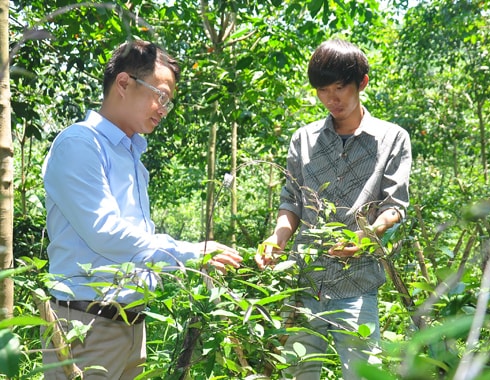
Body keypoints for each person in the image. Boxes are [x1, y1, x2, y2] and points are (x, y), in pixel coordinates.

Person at [41, 40, 242, 379]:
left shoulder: (130, 154)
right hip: (87, 327)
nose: (164, 108)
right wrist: (189, 254)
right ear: (123, 83)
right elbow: (104, 231)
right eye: (160, 96)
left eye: (169, 101)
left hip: (132, 325)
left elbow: (136, 245)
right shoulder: (81, 143)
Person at [255, 39, 412, 379]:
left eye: (340, 88)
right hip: (304, 280)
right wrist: (277, 237)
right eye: (323, 90)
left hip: (356, 282)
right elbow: (291, 202)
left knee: (363, 373)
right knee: (297, 372)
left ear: (363, 82)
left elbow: (396, 206)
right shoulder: (304, 139)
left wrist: (368, 234)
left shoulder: (392, 138)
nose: (331, 99)